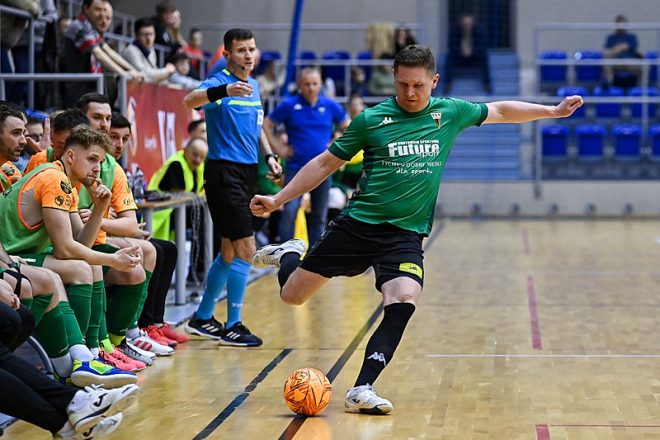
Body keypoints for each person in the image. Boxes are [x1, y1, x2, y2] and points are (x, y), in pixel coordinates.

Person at [250, 44, 583, 414]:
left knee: (403, 299)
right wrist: (279, 199)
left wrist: (551, 111)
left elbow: (502, 109)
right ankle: (289, 254)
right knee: (293, 296)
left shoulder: (449, 112)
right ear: (394, 79)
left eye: (419, 86)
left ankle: (363, 386)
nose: (410, 93)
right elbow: (326, 163)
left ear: (434, 81)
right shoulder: (371, 120)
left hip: (404, 235)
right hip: (358, 226)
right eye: (404, 84)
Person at [182, 28, 282, 346]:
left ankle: (201, 316)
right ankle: (234, 324)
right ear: (227, 54)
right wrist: (223, 90)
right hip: (223, 174)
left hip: (248, 173)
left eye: (252, 49)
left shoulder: (253, 86)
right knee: (245, 250)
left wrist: (270, 156)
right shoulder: (218, 83)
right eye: (242, 50)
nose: (249, 55)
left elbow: (257, 127)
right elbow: (189, 101)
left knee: (228, 250)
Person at [107, 112, 187, 346]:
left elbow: (126, 218)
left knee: (167, 249)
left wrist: (127, 228)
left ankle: (155, 323)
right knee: (152, 251)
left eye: (124, 138)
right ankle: (139, 326)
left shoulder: (115, 167)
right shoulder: (93, 163)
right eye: (114, 137)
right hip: (94, 237)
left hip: (111, 232)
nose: (119, 144)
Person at [264, 66, 349, 246]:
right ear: (299, 85)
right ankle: (284, 253)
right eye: (307, 84)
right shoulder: (289, 105)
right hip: (296, 168)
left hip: (323, 169)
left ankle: (314, 258)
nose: (311, 88)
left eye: (315, 83)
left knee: (319, 216)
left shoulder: (330, 105)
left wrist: (336, 141)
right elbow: (265, 125)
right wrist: (278, 147)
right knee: (290, 212)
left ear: (320, 85)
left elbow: (349, 127)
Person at [59, 0, 142, 107]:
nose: (102, 14)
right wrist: (124, 74)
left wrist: (132, 70)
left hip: (86, 86)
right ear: (86, 9)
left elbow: (108, 51)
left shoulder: (89, 27)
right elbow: (98, 53)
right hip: (76, 86)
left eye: (104, 10)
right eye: (97, 9)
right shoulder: (80, 25)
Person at [443, 13, 491, 94]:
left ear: (472, 23)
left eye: (468, 24)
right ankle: (447, 84)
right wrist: (461, 51)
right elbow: (451, 48)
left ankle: (487, 84)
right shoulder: (455, 32)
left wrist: (471, 51)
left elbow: (482, 48)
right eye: (465, 24)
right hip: (459, 57)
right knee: (449, 59)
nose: (467, 26)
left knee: (484, 58)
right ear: (461, 23)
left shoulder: (479, 32)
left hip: (474, 58)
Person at [121, 17, 176, 84]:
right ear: (136, 35)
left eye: (151, 34)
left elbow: (153, 73)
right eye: (145, 35)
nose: (149, 38)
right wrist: (166, 70)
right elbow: (145, 74)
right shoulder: (131, 51)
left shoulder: (151, 50)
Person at [604, 14, 642, 88]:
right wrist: (619, 48)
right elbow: (608, 50)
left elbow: (633, 47)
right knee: (607, 57)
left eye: (623, 24)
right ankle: (609, 85)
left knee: (643, 67)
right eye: (619, 24)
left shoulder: (631, 37)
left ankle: (641, 89)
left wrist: (619, 47)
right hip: (616, 63)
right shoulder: (611, 38)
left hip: (630, 63)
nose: (621, 26)